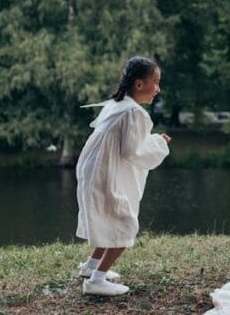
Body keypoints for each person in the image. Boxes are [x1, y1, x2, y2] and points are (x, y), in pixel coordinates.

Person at [75, 56, 171, 296]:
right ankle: (95, 281)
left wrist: (153, 140)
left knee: (110, 219)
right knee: (123, 224)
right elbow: (133, 151)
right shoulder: (135, 113)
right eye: (155, 82)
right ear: (139, 84)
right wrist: (159, 143)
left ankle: (91, 267)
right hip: (103, 173)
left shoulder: (117, 105)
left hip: (94, 170)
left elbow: (125, 142)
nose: (158, 89)